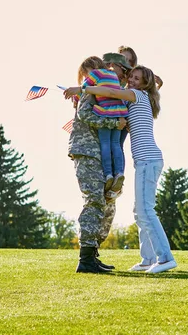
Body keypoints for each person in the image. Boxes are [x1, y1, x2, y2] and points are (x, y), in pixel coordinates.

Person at [64, 65, 176, 274]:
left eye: (136, 78)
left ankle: (165, 258)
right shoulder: (139, 98)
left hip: (148, 160)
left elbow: (111, 92)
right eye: (130, 77)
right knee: (139, 210)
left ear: (143, 84)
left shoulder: (136, 94)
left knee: (146, 210)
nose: (131, 81)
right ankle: (147, 258)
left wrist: (83, 89)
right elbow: (117, 99)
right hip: (146, 161)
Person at [68, 91, 126, 273]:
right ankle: (85, 259)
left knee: (106, 204)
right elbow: (84, 114)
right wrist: (114, 123)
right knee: (93, 201)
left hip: (99, 155)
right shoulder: (90, 91)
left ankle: (92, 255)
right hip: (87, 152)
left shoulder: (101, 92)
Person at [76, 56, 132, 194]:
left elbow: (84, 87)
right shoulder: (113, 74)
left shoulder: (95, 74)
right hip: (118, 113)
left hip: (105, 112)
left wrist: (75, 96)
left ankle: (108, 175)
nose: (86, 76)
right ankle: (119, 172)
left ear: (92, 67)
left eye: (85, 73)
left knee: (105, 144)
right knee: (116, 145)